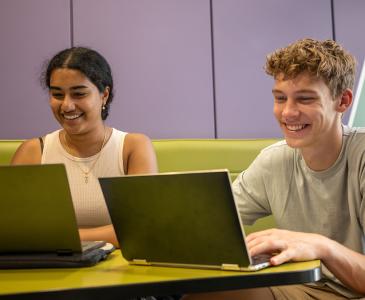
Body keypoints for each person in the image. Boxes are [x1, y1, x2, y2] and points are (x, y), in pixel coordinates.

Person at [184, 39, 365, 299]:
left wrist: (321, 246)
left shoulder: (361, 156)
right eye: (280, 98)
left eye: (305, 99)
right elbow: (210, 224)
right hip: (301, 288)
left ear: (343, 101)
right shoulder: (274, 161)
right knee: (203, 295)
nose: (288, 113)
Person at [11, 47, 158, 247]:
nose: (67, 106)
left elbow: (140, 227)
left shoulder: (133, 147)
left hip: (119, 272)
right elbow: (14, 230)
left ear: (104, 95)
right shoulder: (33, 152)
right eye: (57, 94)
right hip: (53, 271)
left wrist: (63, 237)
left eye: (79, 94)